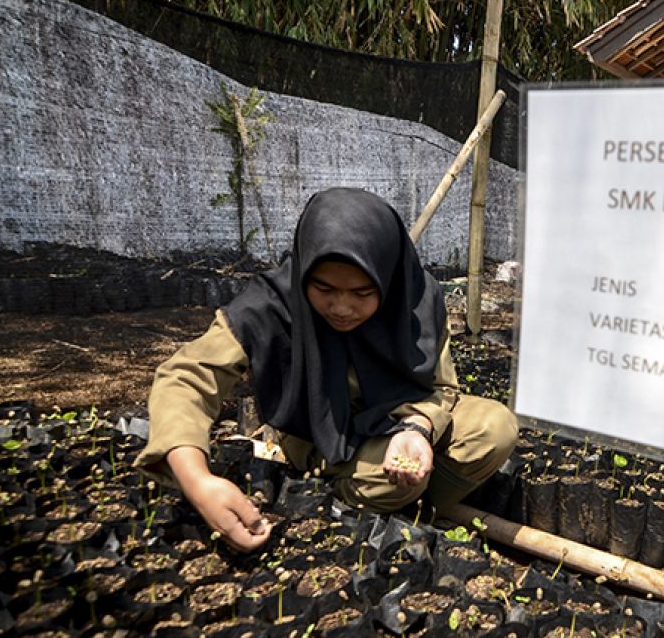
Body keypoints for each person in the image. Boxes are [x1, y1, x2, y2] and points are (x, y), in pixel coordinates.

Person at [135, 188, 519, 552]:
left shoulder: (416, 299)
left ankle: (411, 508)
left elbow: (441, 388)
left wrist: (417, 428)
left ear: (387, 280)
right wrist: (198, 481)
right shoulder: (271, 305)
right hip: (322, 437)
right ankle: (352, 500)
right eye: (324, 289)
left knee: (494, 427)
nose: (341, 308)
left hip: (396, 420)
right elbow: (185, 377)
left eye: (363, 294)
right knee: (393, 484)